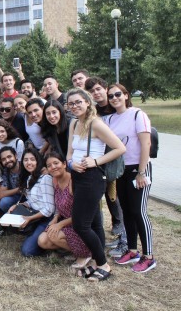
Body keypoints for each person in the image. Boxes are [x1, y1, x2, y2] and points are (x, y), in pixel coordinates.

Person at [66, 88, 125, 281]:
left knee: (80, 225)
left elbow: (119, 148)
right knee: (94, 222)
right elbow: (69, 154)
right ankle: (98, 261)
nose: (74, 106)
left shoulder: (96, 124)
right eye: (71, 103)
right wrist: (71, 164)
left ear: (87, 102)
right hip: (77, 175)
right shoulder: (74, 123)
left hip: (93, 178)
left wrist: (96, 161)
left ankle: (103, 265)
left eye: (78, 102)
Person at [106, 84, 156, 273]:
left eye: (118, 94)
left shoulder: (137, 114)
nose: (114, 98)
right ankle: (133, 250)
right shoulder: (110, 119)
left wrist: (142, 172)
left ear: (126, 95)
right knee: (126, 211)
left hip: (138, 169)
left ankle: (148, 256)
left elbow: (146, 143)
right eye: (111, 96)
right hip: (121, 170)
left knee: (138, 211)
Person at [38, 152, 92, 269]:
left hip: (79, 224)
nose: (53, 167)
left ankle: (85, 254)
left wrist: (60, 224)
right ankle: (74, 251)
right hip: (65, 222)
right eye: (49, 165)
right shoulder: (55, 180)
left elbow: (82, 213)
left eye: (56, 163)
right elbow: (59, 206)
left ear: (64, 164)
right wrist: (55, 218)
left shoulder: (73, 181)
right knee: (42, 241)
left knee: (53, 236)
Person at [6, 148, 54, 257]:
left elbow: (49, 209)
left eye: (32, 159)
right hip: (35, 215)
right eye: (26, 160)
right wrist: (20, 205)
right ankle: (35, 235)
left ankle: (50, 245)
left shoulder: (45, 179)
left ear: (38, 161)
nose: (29, 163)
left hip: (46, 219)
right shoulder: (29, 178)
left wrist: (30, 219)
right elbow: (32, 201)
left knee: (27, 251)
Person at [0, 146, 22, 214]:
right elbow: (1, 194)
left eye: (9, 157)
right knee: (4, 202)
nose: (7, 160)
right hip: (18, 196)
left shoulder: (24, 165)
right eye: (4, 159)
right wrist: (18, 189)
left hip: (31, 196)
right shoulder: (5, 172)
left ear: (15, 155)